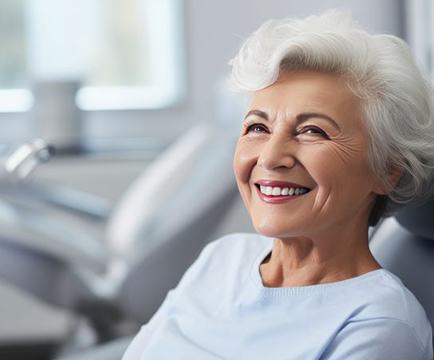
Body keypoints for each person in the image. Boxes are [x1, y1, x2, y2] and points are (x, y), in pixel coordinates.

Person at [123, 10, 434, 359]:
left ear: (387, 170)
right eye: (258, 127)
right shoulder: (223, 258)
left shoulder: (379, 323)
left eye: (312, 131)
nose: (270, 158)